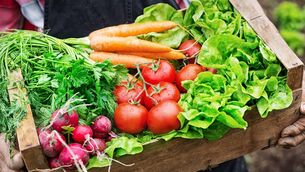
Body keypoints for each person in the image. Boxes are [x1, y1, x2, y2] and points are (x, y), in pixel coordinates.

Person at [1, 1, 305, 172]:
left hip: (210, 135)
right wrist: (7, 138)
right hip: (83, 109)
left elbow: (240, 8)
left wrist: (287, 68)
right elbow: (5, 45)